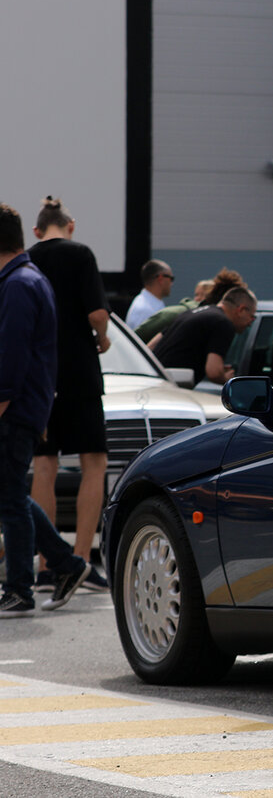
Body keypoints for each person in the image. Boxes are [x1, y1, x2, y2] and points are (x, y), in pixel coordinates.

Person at [0, 203, 93, 616]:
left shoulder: (19, 284)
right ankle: (67, 563)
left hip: (15, 407)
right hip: (26, 406)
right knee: (11, 493)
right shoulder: (24, 278)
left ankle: (20, 588)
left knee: (9, 498)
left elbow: (11, 357)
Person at [27, 197, 111, 589]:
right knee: (93, 462)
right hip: (78, 369)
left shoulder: (25, 259)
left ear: (37, 230)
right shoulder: (80, 254)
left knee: (44, 466)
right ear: (71, 225)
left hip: (39, 374)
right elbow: (97, 313)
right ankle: (79, 559)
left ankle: (47, 563)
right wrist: (103, 337)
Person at [153, 286, 258, 387]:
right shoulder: (223, 323)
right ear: (241, 310)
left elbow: (151, 346)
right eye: (252, 317)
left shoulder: (190, 313)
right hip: (170, 389)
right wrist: (226, 378)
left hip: (152, 380)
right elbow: (214, 373)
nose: (250, 323)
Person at [137, 270, 238, 344]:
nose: (198, 299)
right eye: (197, 295)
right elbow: (133, 339)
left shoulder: (211, 324)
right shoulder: (173, 315)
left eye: (202, 295)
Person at [124, 259, 174, 328]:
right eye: (171, 278)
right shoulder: (144, 309)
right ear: (161, 278)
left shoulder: (150, 304)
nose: (172, 283)